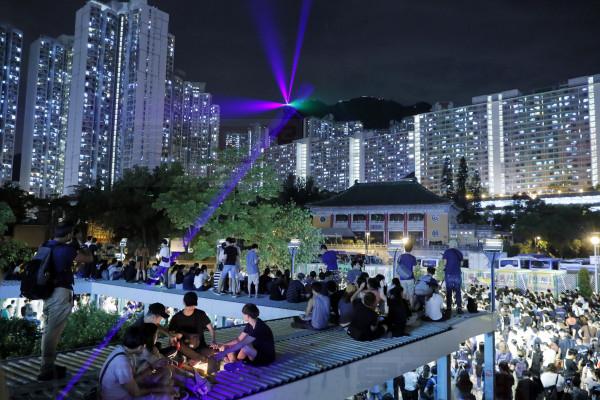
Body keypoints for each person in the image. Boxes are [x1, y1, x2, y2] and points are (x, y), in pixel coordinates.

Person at [39, 223, 92, 381]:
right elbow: (88, 257)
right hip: (60, 293)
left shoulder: (45, 245)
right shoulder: (67, 249)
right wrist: (81, 241)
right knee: (53, 332)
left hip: (47, 292)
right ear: (69, 235)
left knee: (48, 330)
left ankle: (46, 365)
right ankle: (47, 369)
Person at [99, 325, 174, 399]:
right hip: (117, 397)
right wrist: (161, 390)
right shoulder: (122, 362)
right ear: (141, 347)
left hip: (123, 389)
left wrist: (153, 366)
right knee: (166, 396)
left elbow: (133, 379)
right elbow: (136, 393)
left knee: (165, 373)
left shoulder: (121, 350)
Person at [168, 292, 218, 374]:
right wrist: (177, 336)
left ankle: (201, 364)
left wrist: (213, 340)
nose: (190, 308)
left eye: (191, 306)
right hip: (184, 350)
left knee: (214, 353)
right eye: (190, 306)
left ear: (183, 302)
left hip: (200, 348)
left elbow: (211, 329)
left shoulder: (200, 314)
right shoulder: (176, 318)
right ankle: (197, 360)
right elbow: (171, 337)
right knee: (179, 351)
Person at [442, 242, 464, 316]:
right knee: (458, 291)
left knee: (449, 291)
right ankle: (459, 308)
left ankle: (449, 308)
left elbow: (445, 263)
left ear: (450, 245)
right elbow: (461, 264)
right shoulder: (459, 253)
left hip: (449, 274)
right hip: (457, 274)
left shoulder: (447, 252)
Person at [395, 240, 417, 306]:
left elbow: (398, 267)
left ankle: (404, 308)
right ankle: (412, 308)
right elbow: (414, 269)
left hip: (402, 278)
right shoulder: (413, 258)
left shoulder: (400, 257)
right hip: (410, 278)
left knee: (403, 294)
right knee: (411, 295)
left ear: (404, 248)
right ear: (411, 249)